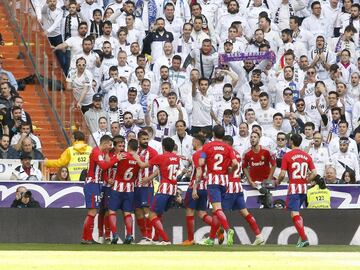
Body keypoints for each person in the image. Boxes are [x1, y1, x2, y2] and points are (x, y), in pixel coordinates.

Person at [134, 137, 181, 245]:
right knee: (158, 214)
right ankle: (155, 238)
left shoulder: (160, 157)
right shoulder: (176, 158)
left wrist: (134, 155)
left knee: (151, 214)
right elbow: (161, 169)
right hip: (173, 189)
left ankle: (165, 239)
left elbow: (142, 165)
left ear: (163, 146)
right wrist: (149, 178)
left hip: (164, 188)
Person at [199, 125, 238, 246]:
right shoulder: (228, 147)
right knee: (216, 211)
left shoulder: (207, 146)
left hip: (213, 180)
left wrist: (205, 163)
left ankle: (228, 229)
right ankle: (211, 238)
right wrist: (230, 170)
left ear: (213, 134)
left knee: (217, 209)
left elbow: (201, 162)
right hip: (224, 180)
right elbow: (235, 163)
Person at [276, 133, 317, 248]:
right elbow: (314, 173)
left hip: (294, 188)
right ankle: (301, 237)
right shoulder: (307, 156)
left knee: (294, 213)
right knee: (296, 213)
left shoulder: (287, 156)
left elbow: (283, 173)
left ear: (291, 141)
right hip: (304, 188)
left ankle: (304, 239)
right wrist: (307, 180)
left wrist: (278, 181)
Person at [222, 135, 265, 245]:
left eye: (223, 143)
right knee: (245, 213)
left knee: (220, 213)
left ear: (227, 143)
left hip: (229, 187)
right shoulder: (238, 154)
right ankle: (259, 236)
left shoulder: (226, 154)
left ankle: (217, 237)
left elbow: (225, 170)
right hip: (238, 186)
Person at [81, 135, 120, 244]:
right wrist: (116, 158)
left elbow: (103, 168)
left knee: (93, 211)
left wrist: (108, 155)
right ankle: (86, 238)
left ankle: (87, 238)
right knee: (92, 211)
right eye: (110, 145)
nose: (110, 147)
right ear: (105, 143)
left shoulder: (101, 153)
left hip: (97, 184)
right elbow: (103, 166)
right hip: (92, 184)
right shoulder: (96, 152)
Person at [182, 134, 214, 246]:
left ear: (196, 142)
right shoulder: (206, 154)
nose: (192, 143)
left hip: (195, 187)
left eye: (193, 141)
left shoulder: (197, 154)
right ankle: (217, 227)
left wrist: (194, 188)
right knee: (202, 213)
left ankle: (190, 240)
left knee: (189, 212)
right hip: (205, 187)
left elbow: (199, 171)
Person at [108, 139, 141, 245]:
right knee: (127, 213)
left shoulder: (122, 156)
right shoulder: (138, 159)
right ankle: (129, 235)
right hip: (130, 188)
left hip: (118, 187)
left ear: (128, 147)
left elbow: (108, 164)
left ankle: (114, 234)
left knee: (112, 211)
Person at [134, 130, 158, 244]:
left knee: (147, 210)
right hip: (135, 185)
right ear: (139, 140)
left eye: (147, 139)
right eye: (143, 139)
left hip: (147, 185)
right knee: (138, 211)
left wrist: (149, 178)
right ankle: (144, 236)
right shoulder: (134, 151)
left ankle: (149, 236)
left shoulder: (152, 152)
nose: (145, 141)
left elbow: (158, 169)